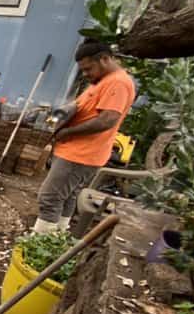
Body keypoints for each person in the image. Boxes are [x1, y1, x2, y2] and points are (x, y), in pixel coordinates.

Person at [33, 40, 136, 233]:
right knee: (68, 195)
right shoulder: (104, 81)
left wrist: (68, 132)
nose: (86, 74)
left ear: (105, 59)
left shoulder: (118, 83)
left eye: (89, 69)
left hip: (81, 154)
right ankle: (57, 237)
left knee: (50, 197)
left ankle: (37, 243)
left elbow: (107, 120)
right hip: (76, 152)